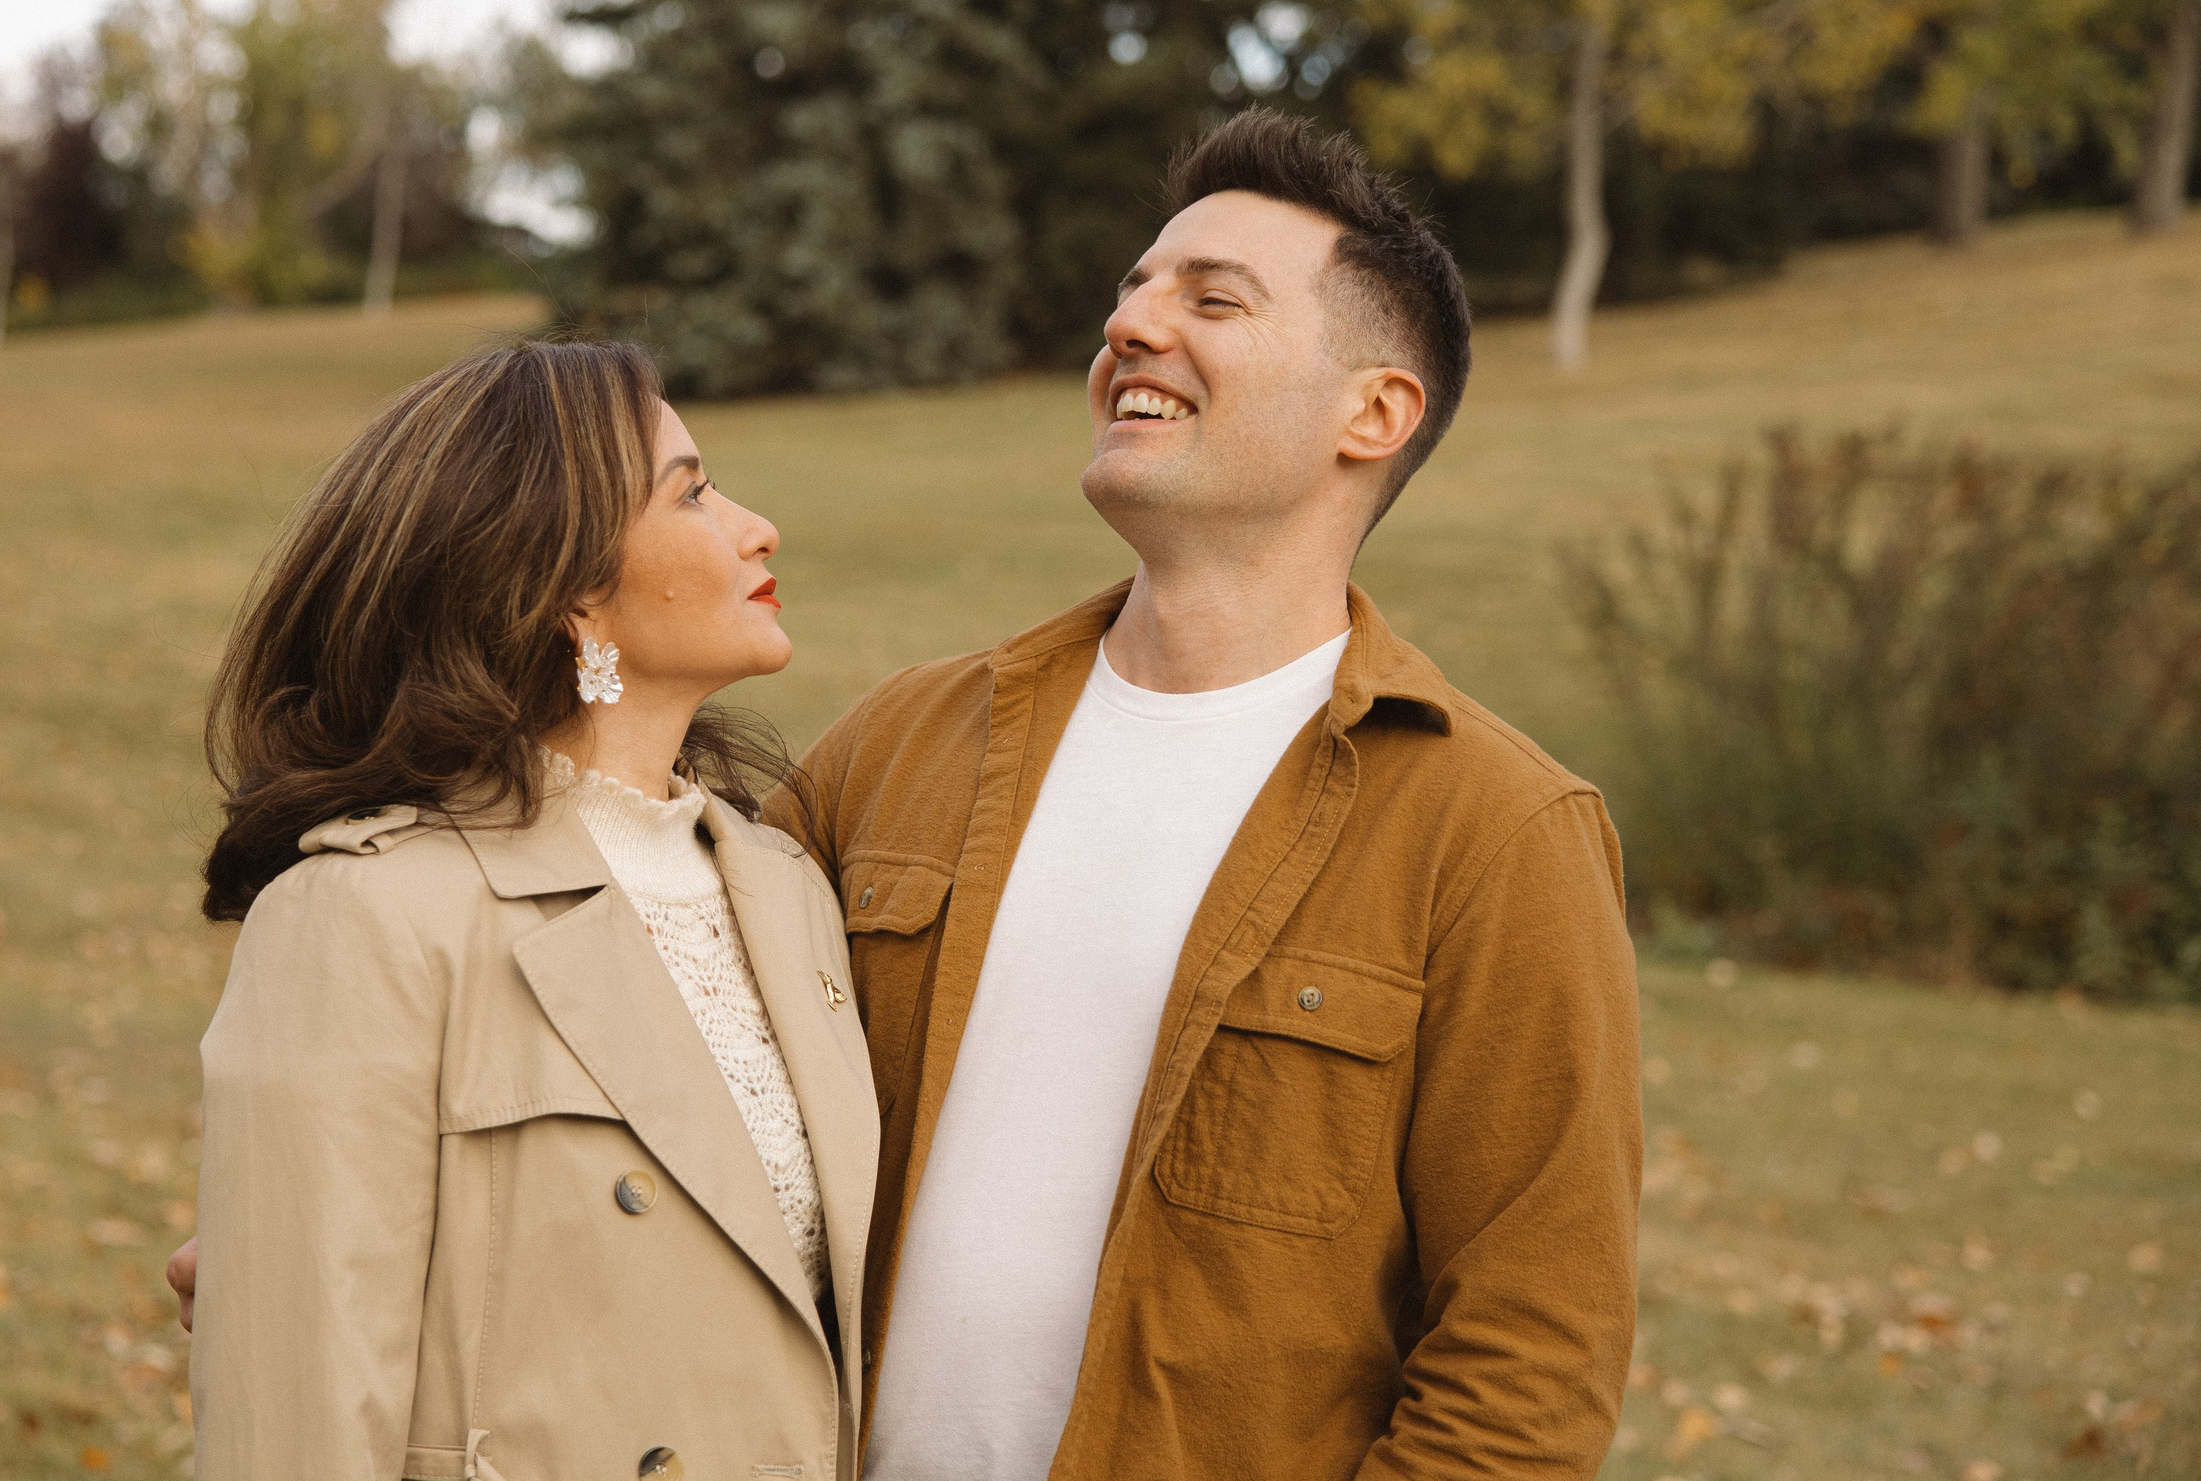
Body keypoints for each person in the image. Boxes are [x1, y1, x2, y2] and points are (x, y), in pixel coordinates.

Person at [173, 108, 1640, 1478]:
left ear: (1374, 411)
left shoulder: (1497, 834)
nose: (1130, 321)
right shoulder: (905, 747)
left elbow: (1528, 1359)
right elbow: (627, 1025)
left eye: (1214, 298)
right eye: (1134, 288)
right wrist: (326, 1214)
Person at [183, 339, 878, 1481]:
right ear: (571, 595)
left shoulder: (785, 891)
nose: (756, 527)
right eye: (693, 493)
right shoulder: (364, 919)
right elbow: (292, 1429)